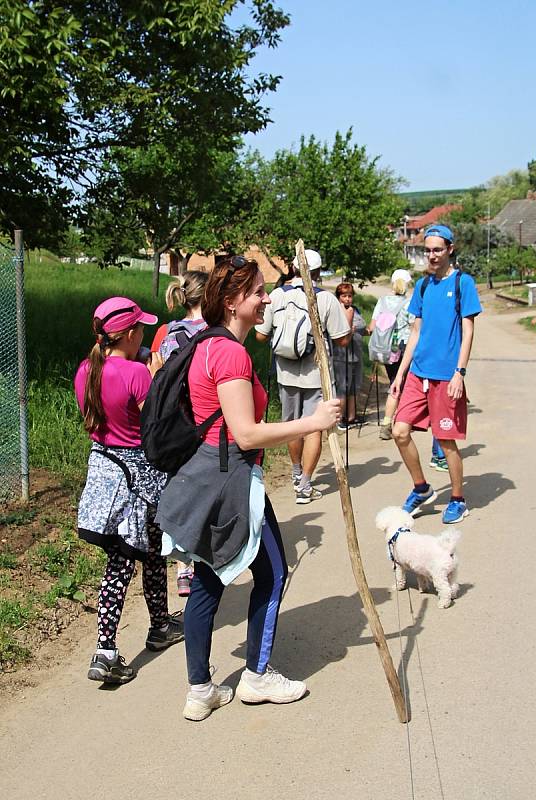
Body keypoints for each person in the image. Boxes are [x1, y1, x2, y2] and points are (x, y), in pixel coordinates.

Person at [155, 256, 340, 721]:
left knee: (208, 582)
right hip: (233, 479)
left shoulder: (206, 343)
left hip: (204, 477)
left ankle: (200, 691)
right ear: (234, 300)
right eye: (259, 291)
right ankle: (256, 677)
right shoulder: (231, 353)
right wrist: (313, 421)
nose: (267, 298)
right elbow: (247, 434)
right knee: (273, 574)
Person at [75, 297, 184, 685]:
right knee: (122, 563)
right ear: (130, 333)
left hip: (104, 474)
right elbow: (157, 422)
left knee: (151, 550)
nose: (143, 333)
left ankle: (160, 624)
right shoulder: (136, 373)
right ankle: (105, 651)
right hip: (137, 479)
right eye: (140, 328)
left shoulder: (87, 369)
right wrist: (157, 378)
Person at [390, 224, 482, 523]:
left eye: (437, 250)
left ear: (450, 249)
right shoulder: (423, 285)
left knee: (445, 441)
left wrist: (460, 372)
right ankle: (421, 488)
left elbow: (468, 331)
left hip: (446, 376)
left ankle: (458, 498)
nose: (431, 255)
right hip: (418, 374)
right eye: (427, 250)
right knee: (399, 431)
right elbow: (415, 332)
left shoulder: (462, 283)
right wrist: (400, 375)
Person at [255, 249, 350, 504]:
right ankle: (305, 485)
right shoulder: (326, 299)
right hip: (316, 374)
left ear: (293, 268)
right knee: (314, 427)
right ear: (318, 272)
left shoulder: (276, 295)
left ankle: (296, 474)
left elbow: (260, 336)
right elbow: (342, 339)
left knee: (292, 424)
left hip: (285, 373)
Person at [151, 270, 209, 596]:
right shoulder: (214, 333)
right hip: (205, 423)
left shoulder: (166, 332)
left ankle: (182, 568)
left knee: (179, 489)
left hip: (175, 423)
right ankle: (203, 562)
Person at [368, 269, 413, 440]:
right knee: (400, 385)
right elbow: (413, 329)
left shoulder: (382, 301)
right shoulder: (409, 303)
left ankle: (391, 422)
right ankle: (392, 423)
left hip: (385, 350)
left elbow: (372, 327)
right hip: (402, 349)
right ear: (407, 284)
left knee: (394, 382)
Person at [333, 282, 368, 430]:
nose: (347, 299)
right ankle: (340, 418)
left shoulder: (356, 310)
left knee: (354, 386)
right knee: (342, 387)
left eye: (349, 296)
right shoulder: (336, 312)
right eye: (344, 296)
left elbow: (363, 328)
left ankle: (352, 417)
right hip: (341, 356)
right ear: (338, 297)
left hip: (356, 354)